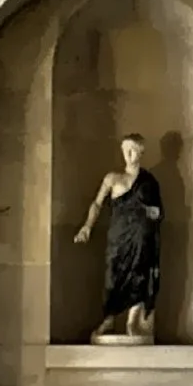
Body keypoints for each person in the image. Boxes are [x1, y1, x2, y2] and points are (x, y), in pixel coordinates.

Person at [74, 131, 161, 341]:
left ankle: (133, 320)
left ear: (141, 151)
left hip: (140, 237)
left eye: (132, 149)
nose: (128, 154)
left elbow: (158, 212)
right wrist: (87, 227)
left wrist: (149, 212)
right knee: (112, 274)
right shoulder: (113, 178)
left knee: (139, 274)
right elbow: (97, 204)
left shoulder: (149, 182)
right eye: (125, 149)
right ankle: (109, 318)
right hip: (118, 236)